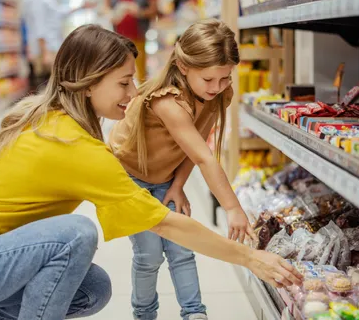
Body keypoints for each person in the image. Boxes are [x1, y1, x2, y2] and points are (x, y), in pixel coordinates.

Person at [0, 25, 302, 320]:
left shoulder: (58, 121)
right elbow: (166, 224)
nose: (134, 91)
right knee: (75, 234)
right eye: (123, 82)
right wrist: (250, 258)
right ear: (88, 84)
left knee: (94, 289)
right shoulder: (74, 145)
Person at [108, 19, 253, 320]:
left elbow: (194, 145)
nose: (218, 87)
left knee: (183, 250)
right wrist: (232, 207)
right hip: (129, 180)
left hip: (164, 178)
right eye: (209, 79)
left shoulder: (217, 96)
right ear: (184, 66)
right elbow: (204, 157)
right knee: (148, 256)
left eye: (225, 78)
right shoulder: (166, 102)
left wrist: (178, 184)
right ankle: (144, 314)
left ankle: (194, 313)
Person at [22, 0, 94, 92]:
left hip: (50, 46)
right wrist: (45, 52)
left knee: (51, 84)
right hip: (45, 48)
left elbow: (58, 13)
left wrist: (81, 7)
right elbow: (39, 25)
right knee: (46, 84)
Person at [104, 0, 158, 83]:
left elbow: (154, 9)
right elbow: (105, 7)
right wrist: (112, 15)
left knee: (141, 73)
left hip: (139, 36)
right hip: (118, 37)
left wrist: (139, 12)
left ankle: (141, 95)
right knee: (118, 72)